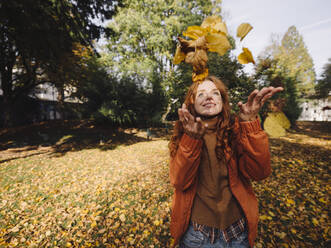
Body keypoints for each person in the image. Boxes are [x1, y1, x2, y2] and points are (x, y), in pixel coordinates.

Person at [169, 75, 283, 248]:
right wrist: (191, 139)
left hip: (237, 232)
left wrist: (250, 124)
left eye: (215, 93)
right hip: (198, 235)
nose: (208, 97)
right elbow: (180, 181)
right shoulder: (182, 136)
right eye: (201, 94)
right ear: (191, 103)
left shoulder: (237, 129)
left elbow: (259, 173)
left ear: (222, 101)